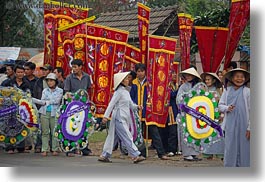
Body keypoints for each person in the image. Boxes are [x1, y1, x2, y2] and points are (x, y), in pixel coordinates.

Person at [98, 71, 146, 163]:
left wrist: (137, 107)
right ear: (122, 81)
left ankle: (104, 155)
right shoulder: (119, 92)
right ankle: (135, 155)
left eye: (128, 78)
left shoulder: (126, 92)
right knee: (127, 135)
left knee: (113, 137)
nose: (128, 80)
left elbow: (131, 105)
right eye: (126, 79)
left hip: (124, 117)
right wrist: (105, 116)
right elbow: (111, 105)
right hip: (119, 117)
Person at [130, 63, 169, 160]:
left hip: (148, 111)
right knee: (139, 134)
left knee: (154, 132)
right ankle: (141, 153)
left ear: (145, 72)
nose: (140, 73)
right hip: (137, 111)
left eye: (142, 71)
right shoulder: (134, 83)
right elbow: (131, 97)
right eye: (138, 71)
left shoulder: (150, 83)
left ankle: (161, 153)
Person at [218, 68, 250, 167]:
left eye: (242, 77)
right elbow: (220, 106)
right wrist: (227, 108)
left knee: (244, 147)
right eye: (237, 77)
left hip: (244, 124)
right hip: (230, 124)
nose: (239, 79)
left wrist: (250, 128)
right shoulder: (227, 91)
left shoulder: (248, 92)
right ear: (231, 78)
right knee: (230, 146)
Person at [63, 59, 92, 157]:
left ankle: (84, 148)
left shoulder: (87, 77)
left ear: (80, 67)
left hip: (84, 106)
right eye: (72, 67)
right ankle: (70, 148)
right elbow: (67, 92)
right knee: (72, 126)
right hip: (73, 107)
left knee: (84, 126)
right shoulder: (69, 78)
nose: (73, 69)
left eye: (75, 67)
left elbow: (88, 90)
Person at [1, 64, 31, 154]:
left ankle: (20, 146)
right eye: (18, 72)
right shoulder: (7, 82)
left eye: (22, 72)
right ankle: (9, 147)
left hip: (21, 109)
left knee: (21, 126)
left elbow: (29, 95)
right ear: (15, 73)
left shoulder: (26, 83)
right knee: (8, 127)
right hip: (9, 109)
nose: (20, 74)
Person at [32, 73, 63, 156]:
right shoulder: (45, 90)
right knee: (44, 132)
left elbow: (57, 101)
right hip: (44, 112)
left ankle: (54, 148)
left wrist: (47, 101)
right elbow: (42, 101)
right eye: (48, 81)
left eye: (51, 81)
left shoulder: (60, 90)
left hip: (55, 112)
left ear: (55, 81)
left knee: (54, 131)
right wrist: (35, 100)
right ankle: (44, 149)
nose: (49, 82)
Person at [176, 67, 202, 161]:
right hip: (186, 113)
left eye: (190, 75)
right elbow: (178, 99)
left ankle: (194, 153)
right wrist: (186, 96)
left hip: (196, 113)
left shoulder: (198, 86)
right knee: (186, 133)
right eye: (187, 75)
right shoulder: (183, 86)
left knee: (195, 132)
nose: (188, 76)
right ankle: (187, 154)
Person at [200, 72, 224, 160]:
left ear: (213, 80)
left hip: (217, 116)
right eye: (205, 79)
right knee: (206, 134)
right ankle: (207, 153)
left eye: (208, 79)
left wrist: (222, 114)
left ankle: (219, 153)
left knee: (217, 135)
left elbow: (222, 103)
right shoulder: (203, 91)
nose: (207, 81)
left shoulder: (219, 91)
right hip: (206, 116)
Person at [32, 63, 53, 153]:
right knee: (42, 128)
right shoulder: (39, 81)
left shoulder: (55, 81)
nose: (43, 72)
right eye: (42, 70)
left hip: (52, 107)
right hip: (41, 107)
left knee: (53, 128)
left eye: (46, 70)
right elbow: (36, 94)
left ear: (50, 71)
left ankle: (53, 146)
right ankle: (39, 145)